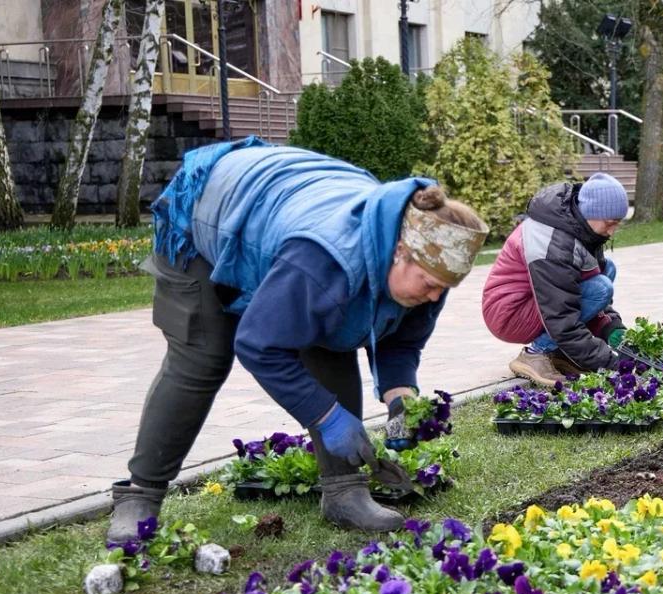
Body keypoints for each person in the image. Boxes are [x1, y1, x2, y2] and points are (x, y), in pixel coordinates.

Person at [106, 140, 488, 543]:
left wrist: (400, 399)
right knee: (204, 355)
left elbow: (401, 342)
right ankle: (140, 495)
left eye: (442, 289)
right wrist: (327, 417)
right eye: (429, 285)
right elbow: (258, 345)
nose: (433, 296)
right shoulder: (325, 261)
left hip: (289, 204)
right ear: (399, 252)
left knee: (330, 333)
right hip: (211, 206)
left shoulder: (434, 270)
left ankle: (344, 493)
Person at [482, 173, 629, 387]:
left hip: (535, 304)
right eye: (610, 223)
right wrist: (612, 363)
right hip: (509, 313)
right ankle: (535, 353)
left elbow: (577, 300)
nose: (612, 230)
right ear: (591, 213)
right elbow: (562, 316)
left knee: (607, 270)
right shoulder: (554, 243)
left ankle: (558, 352)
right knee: (600, 287)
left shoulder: (583, 230)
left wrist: (611, 327)